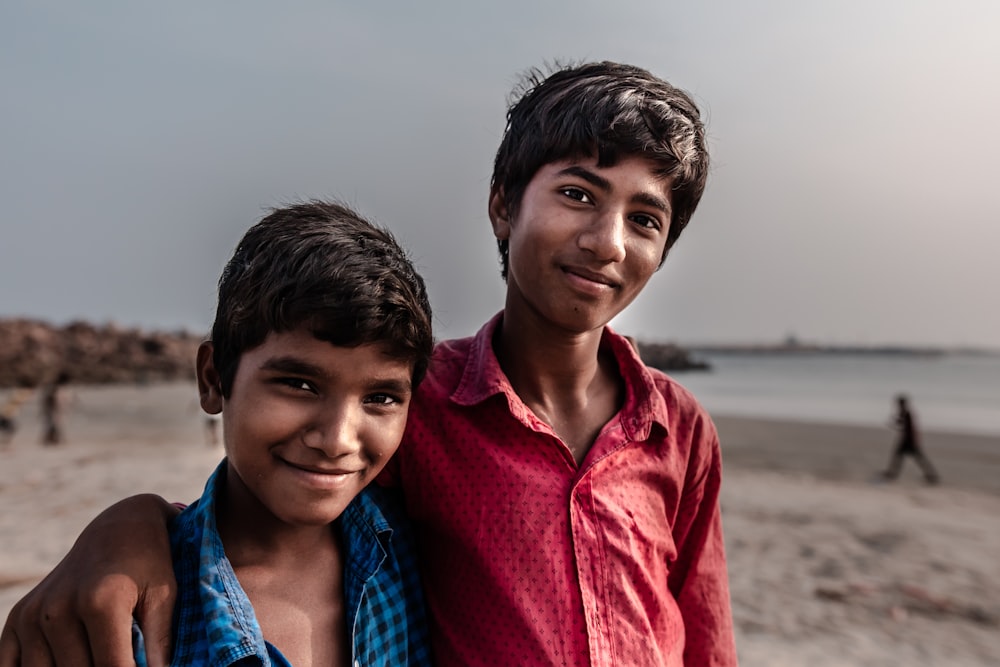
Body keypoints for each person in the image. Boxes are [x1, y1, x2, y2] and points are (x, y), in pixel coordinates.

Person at [0, 61, 736, 666]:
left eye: (645, 219)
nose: (608, 241)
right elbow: (268, 500)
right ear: (503, 206)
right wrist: (126, 530)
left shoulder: (679, 429)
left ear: (664, 248)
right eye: (577, 193)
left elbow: (704, 632)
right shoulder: (423, 404)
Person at [882, 393, 940, 484]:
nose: (897, 404)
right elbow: (902, 423)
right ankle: (931, 475)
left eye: (899, 403)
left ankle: (931, 475)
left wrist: (893, 422)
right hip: (908, 439)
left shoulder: (905, 412)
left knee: (913, 457)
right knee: (903, 457)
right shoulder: (904, 412)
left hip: (908, 440)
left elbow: (904, 425)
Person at [39, 371, 71, 445]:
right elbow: (52, 399)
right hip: (55, 409)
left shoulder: (55, 387)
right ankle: (53, 439)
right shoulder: (57, 388)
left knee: (54, 424)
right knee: (56, 424)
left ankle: (51, 439)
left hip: (54, 409)